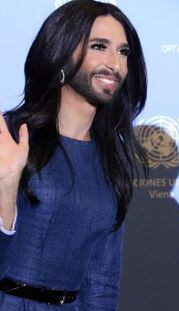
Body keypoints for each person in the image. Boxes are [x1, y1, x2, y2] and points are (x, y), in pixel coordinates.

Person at [0, 0, 147, 309]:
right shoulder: (10, 137)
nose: (115, 64)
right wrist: (6, 190)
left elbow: (102, 280)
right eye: (99, 46)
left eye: (123, 52)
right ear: (61, 50)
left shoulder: (111, 159)